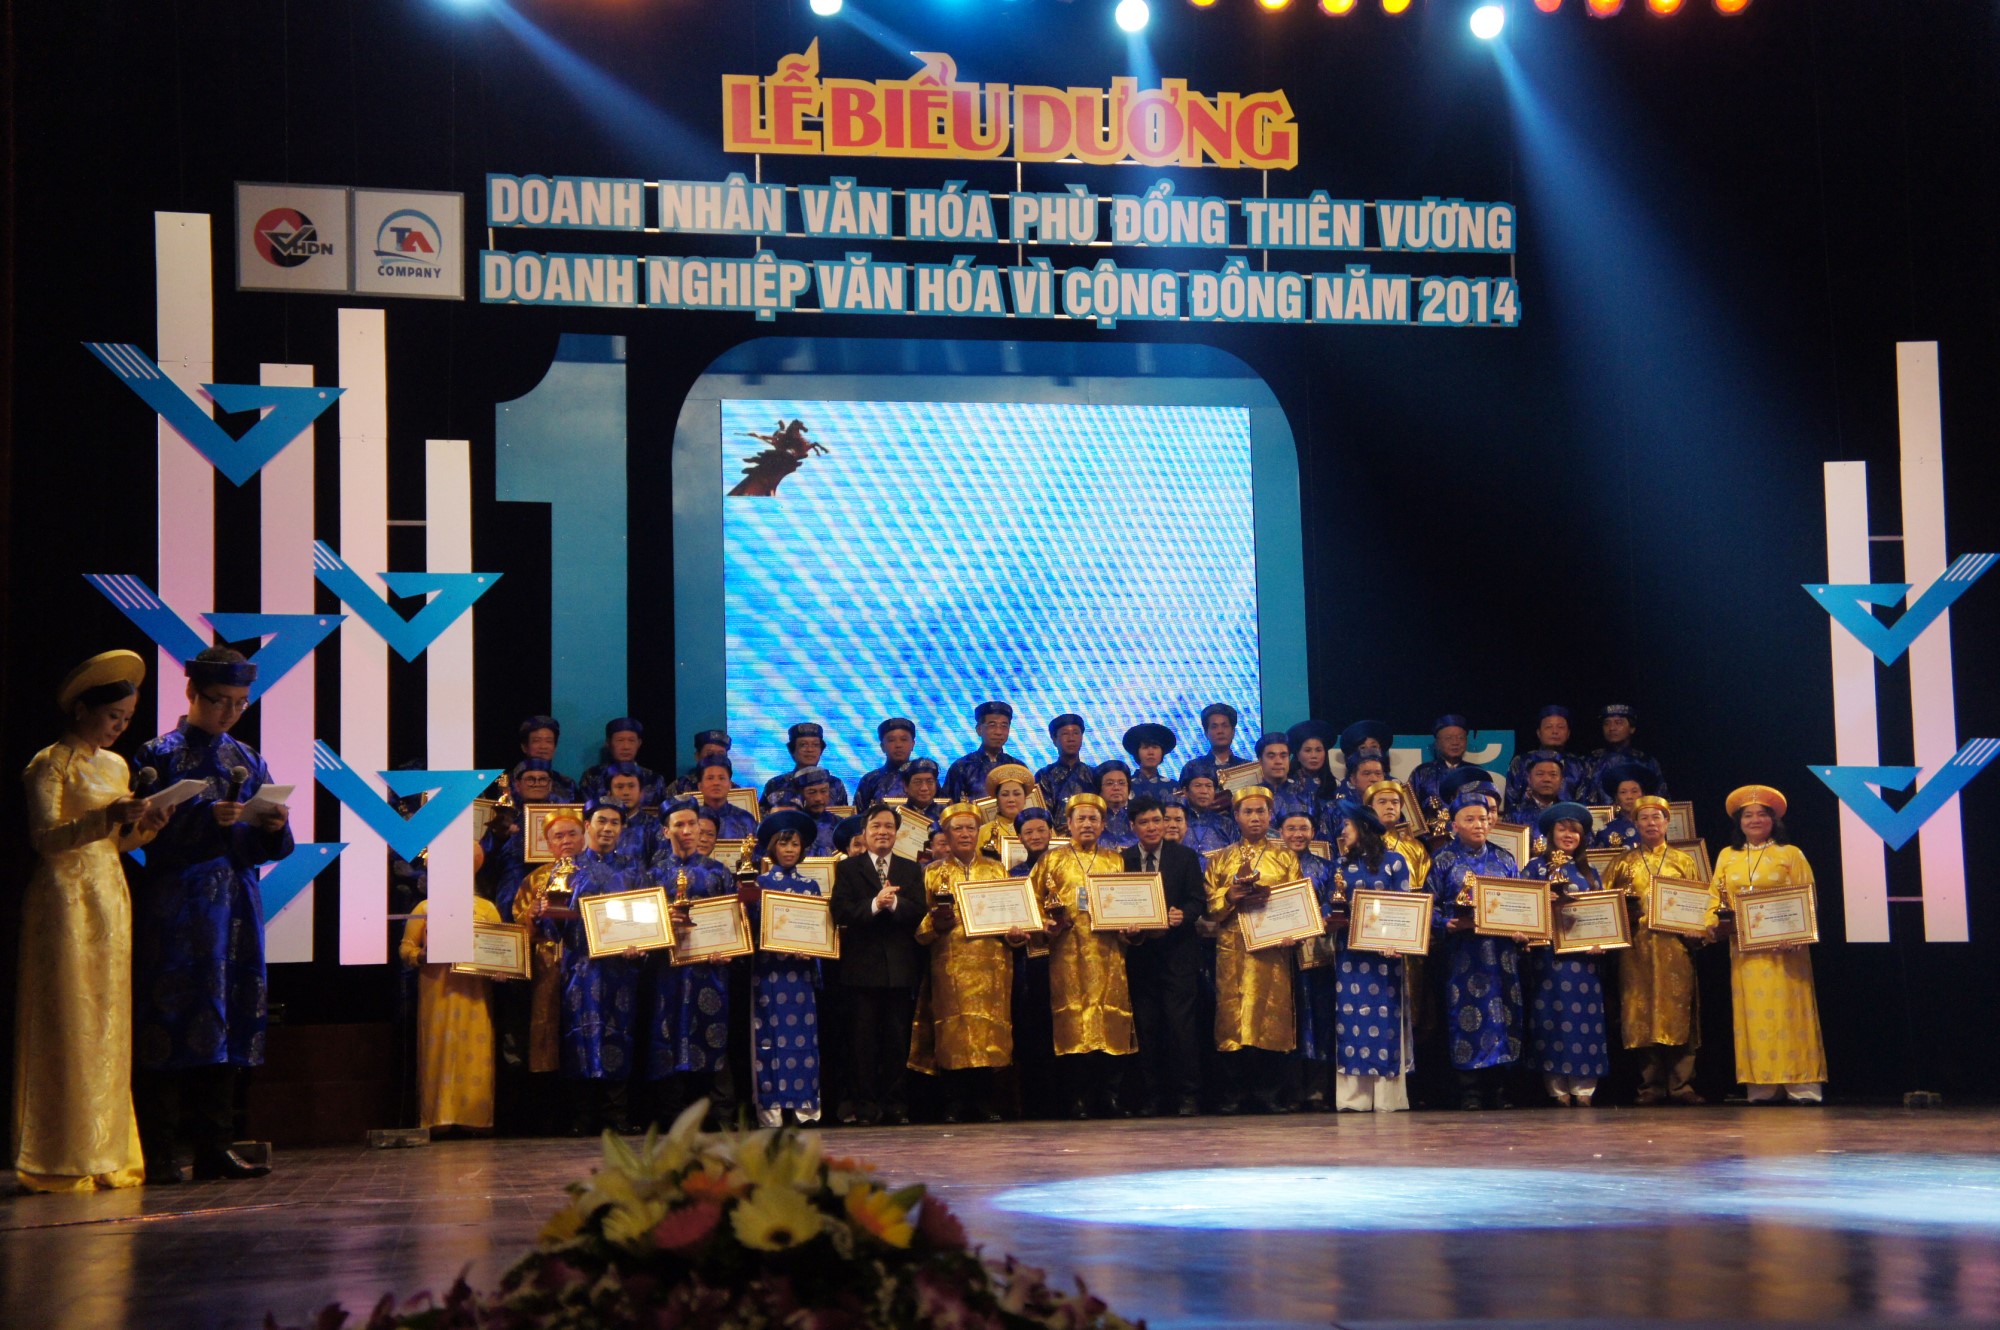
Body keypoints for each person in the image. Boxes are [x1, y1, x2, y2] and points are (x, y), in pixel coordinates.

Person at [132, 647, 294, 1182]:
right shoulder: (158, 754)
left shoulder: (247, 756)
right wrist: (208, 820)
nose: (229, 712)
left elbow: (272, 846)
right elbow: (138, 839)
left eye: (240, 703)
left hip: (237, 908)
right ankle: (158, 1149)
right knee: (168, 1016)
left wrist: (272, 828)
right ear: (192, 693)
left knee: (231, 1016)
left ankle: (214, 1146)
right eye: (220, 701)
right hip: (177, 906)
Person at [14, 650, 164, 1192]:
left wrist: (147, 825)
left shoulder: (117, 766)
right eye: (112, 716)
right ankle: (58, 1156)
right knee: (67, 1018)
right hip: (64, 898)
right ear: (81, 709)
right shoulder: (50, 763)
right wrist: (105, 818)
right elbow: (45, 838)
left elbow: (115, 843)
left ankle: (107, 1152)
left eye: (127, 718)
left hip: (109, 896)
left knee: (107, 1021)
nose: (120, 727)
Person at [913, 802, 1026, 1122]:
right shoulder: (932, 872)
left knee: (989, 1031)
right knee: (953, 1030)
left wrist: (1016, 934)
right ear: (947, 835)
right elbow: (919, 928)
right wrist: (935, 922)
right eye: (958, 829)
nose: (965, 834)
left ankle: (986, 1100)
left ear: (979, 833)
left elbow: (1013, 918)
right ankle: (954, 1101)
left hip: (992, 963)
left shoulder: (996, 870)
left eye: (970, 828)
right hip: (949, 962)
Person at [1714, 785, 1827, 1104]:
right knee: (1753, 1017)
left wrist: (1798, 935)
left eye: (1762, 814)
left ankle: (1802, 1084)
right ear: (1739, 822)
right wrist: (1713, 923)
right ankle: (1761, 1085)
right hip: (1746, 953)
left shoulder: (1790, 854)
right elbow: (1715, 896)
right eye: (1747, 815)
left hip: (1786, 951)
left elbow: (1808, 898)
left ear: (1773, 820)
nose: (1754, 820)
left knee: (1792, 1014)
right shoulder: (1727, 855)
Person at [1029, 793, 1137, 1118]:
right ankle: (1076, 1098)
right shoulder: (1051, 860)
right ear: (1069, 824)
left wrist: (1131, 925)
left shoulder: (1115, 860)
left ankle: (1109, 1096)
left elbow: (1131, 900)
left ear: (1103, 825)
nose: (1087, 824)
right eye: (1081, 819)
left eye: (1093, 819)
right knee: (1072, 1023)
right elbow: (1031, 902)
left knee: (1111, 1020)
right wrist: (1044, 923)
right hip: (1067, 954)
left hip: (1108, 954)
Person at [1601, 795, 1707, 1105]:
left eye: (1656, 817)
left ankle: (1681, 1085)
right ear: (1635, 823)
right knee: (1640, 1015)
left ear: (1667, 822)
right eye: (1644, 818)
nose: (1651, 823)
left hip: (1676, 949)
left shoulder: (1684, 861)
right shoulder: (1622, 862)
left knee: (1679, 1013)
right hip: (1636, 951)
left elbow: (1701, 902)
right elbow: (1604, 904)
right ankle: (1650, 1085)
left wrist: (1697, 929)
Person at [1203, 785, 1300, 1114]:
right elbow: (1210, 907)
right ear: (1236, 816)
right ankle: (1233, 1093)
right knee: (1233, 1019)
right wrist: (1229, 896)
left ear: (1270, 816)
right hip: (1233, 948)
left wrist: (1293, 932)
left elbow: (1297, 901)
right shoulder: (1220, 859)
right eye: (1248, 812)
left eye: (1261, 811)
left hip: (1272, 949)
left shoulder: (1285, 857)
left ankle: (1269, 1092)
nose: (1255, 817)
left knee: (1270, 1016)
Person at [555, 801, 649, 1135]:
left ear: (622, 829)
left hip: (620, 969)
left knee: (618, 1035)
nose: (608, 828)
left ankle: (616, 1114)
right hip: (580, 970)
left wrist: (641, 945)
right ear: (588, 825)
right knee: (580, 1038)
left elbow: (647, 917)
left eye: (615, 823)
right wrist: (544, 914)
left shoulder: (634, 870)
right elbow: (554, 927)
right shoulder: (567, 869)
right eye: (601, 821)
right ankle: (582, 1117)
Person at [829, 805, 926, 1125]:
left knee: (897, 1041)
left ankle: (896, 1105)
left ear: (897, 833)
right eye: (876, 826)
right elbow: (840, 911)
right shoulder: (848, 868)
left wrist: (894, 902)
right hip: (861, 969)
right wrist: (874, 904)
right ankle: (866, 1106)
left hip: (900, 969)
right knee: (862, 1042)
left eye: (888, 826)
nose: (882, 831)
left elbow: (920, 912)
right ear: (865, 832)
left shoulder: (910, 869)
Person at [1428, 789, 1524, 1110]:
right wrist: (1446, 923)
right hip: (1463, 954)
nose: (1479, 824)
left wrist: (1524, 929)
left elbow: (1521, 903)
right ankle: (1469, 1091)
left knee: (1503, 1016)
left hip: (1502, 955)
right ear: (1455, 825)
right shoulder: (1443, 861)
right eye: (1469, 819)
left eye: (1483, 819)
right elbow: (1428, 906)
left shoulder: (1504, 859)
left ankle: (1500, 1088)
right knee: (1466, 1016)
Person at [1324, 799, 1420, 1112]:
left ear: (1363, 827)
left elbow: (1405, 907)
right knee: (1350, 1020)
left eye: (1347, 825)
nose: (1343, 831)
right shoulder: (1340, 865)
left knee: (1385, 1018)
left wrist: (1396, 941)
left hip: (1385, 958)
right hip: (1350, 956)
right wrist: (1324, 919)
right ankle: (1355, 1098)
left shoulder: (1395, 862)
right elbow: (1329, 903)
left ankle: (1386, 1097)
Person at [647, 801, 739, 1124]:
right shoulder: (654, 875)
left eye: (692, 824)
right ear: (665, 831)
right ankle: (670, 1117)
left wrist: (727, 949)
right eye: (679, 825)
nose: (686, 831)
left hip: (710, 971)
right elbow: (640, 926)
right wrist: (663, 922)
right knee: (667, 1037)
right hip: (668, 972)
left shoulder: (718, 872)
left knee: (713, 1037)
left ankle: (719, 1116)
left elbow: (734, 921)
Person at [398, 848, 501, 1135]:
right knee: (437, 1052)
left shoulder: (486, 908)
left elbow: (502, 946)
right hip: (437, 990)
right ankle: (437, 1118)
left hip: (475, 993)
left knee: (476, 1050)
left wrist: (502, 968)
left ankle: (475, 1118)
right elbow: (406, 947)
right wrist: (420, 956)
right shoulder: (425, 908)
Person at [739, 809, 828, 1126]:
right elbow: (749, 929)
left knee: (803, 1037)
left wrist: (812, 952)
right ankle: (772, 1110)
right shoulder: (759, 884)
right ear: (772, 847)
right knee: (769, 1038)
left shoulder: (811, 886)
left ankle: (805, 1107)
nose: (789, 850)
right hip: (769, 973)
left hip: (800, 975)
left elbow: (820, 931)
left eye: (795, 844)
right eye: (783, 843)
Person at [1522, 802, 1610, 1106]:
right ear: (1551, 834)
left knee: (1585, 1019)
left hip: (1585, 961)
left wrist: (1603, 941)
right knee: (1552, 1018)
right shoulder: (1535, 868)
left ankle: (1584, 1089)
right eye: (1562, 829)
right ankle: (1557, 1089)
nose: (1569, 835)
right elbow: (1522, 910)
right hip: (1548, 959)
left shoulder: (1590, 872)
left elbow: (1603, 914)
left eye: (1575, 830)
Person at [1122, 796, 1205, 1116]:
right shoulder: (1123, 859)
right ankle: (1152, 1096)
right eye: (1144, 822)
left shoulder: (1184, 857)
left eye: (1157, 820)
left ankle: (1188, 1095)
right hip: (1140, 955)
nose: (1153, 827)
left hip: (1178, 955)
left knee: (1181, 1027)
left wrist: (1182, 914)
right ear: (1133, 826)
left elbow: (1198, 901)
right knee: (1147, 1027)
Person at [512, 810, 586, 1099]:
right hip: (547, 963)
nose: (566, 840)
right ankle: (547, 1101)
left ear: (584, 836)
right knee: (546, 1029)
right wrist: (531, 915)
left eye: (572, 834)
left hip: (584, 960)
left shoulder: (594, 873)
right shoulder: (535, 879)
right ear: (548, 843)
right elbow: (519, 929)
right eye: (558, 836)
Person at [1279, 809, 1340, 1111]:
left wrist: (1318, 920)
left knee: (1319, 1018)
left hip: (1317, 954)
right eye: (1291, 828)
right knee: (1288, 1020)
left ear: (1313, 833)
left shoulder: (1327, 867)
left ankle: (1318, 1090)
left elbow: (1333, 903)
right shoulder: (1272, 865)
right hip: (1280, 953)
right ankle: (1291, 1091)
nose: (1297, 834)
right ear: (1280, 833)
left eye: (1303, 828)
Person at [1584, 704, 1668, 803]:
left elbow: (1660, 798)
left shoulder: (1646, 761)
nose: (1612, 728)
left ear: (1632, 728)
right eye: (1607, 723)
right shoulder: (1591, 761)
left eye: (1618, 723)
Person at [1505, 706, 1586, 808]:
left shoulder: (1578, 765)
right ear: (1538, 733)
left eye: (1560, 727)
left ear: (1568, 733)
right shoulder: (1521, 762)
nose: (1555, 731)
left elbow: (1585, 805)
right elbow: (1511, 801)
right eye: (1549, 727)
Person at [944, 701, 1026, 800]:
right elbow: (949, 805)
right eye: (992, 725)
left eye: (1004, 726)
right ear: (979, 729)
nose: (998, 732)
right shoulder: (962, 767)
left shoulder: (1018, 767)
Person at [1410, 714, 1475, 837]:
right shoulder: (1422, 773)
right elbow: (1411, 815)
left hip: (1467, 839)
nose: (1455, 742)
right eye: (1448, 738)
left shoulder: (1475, 773)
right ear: (1437, 743)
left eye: (1461, 738)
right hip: (1430, 841)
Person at [577, 717, 668, 806]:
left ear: (639, 743)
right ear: (608, 743)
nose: (626, 747)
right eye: (620, 740)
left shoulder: (654, 780)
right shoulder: (592, 777)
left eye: (631, 741)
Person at [762, 722, 850, 812]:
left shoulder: (835, 784)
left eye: (815, 745)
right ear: (792, 750)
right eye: (803, 745)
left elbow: (845, 817)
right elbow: (761, 817)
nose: (810, 750)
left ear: (821, 750)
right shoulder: (775, 784)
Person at [1036, 713, 1098, 814]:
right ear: (1054, 739)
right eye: (1065, 734)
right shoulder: (1044, 776)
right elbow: (1041, 814)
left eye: (1076, 733)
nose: (1071, 739)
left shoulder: (1094, 774)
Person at [1179, 702, 1251, 787]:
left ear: (1233, 732)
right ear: (1206, 733)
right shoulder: (1192, 768)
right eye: (1214, 727)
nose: (1220, 731)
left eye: (1225, 726)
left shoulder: (1246, 768)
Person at [1592, 760, 1659, 850]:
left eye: (1634, 791)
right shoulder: (1606, 832)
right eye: (1623, 792)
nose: (1629, 797)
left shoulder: (1656, 827)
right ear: (1616, 798)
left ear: (1643, 795)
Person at [1282, 720, 1339, 826]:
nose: (1314, 756)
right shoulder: (1286, 785)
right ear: (1297, 755)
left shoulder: (1335, 785)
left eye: (1318, 750)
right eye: (1308, 750)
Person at [975, 763, 1037, 860]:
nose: (1011, 799)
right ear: (997, 800)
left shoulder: (1039, 828)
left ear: (1025, 798)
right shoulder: (984, 831)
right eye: (1005, 795)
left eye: (1017, 794)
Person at [854, 717, 917, 808]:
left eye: (904, 739)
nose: (898, 745)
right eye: (891, 740)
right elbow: (858, 814)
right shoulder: (870, 780)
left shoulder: (925, 779)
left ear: (913, 744)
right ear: (882, 746)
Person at [692, 754, 758, 840]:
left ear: (730, 784)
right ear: (700, 786)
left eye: (721, 778)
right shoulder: (691, 819)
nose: (716, 783)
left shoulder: (745, 819)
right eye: (710, 778)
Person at [1506, 751, 1568, 840]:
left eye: (1553, 774)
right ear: (1529, 779)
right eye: (1540, 774)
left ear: (1562, 780)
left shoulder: (1569, 814)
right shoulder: (1515, 814)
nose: (1547, 779)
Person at [518, 715, 578, 801]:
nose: (543, 746)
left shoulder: (567, 784)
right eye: (536, 741)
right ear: (524, 747)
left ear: (555, 747)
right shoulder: (509, 782)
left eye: (549, 741)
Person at [1124, 723, 1181, 808]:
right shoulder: (1126, 785)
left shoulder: (1173, 786)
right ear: (1137, 753)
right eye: (1145, 747)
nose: (1151, 752)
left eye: (1155, 747)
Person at [1332, 720, 1392, 800]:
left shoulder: (1393, 786)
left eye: (1374, 747)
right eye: (1363, 748)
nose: (1369, 751)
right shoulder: (1342, 792)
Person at [1181, 772, 1236, 853]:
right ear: (1185, 791)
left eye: (1209, 786)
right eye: (1198, 786)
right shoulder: (1176, 823)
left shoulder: (1226, 824)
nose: (1204, 791)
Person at [670, 729, 734, 797]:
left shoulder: (734, 789)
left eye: (721, 755)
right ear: (697, 756)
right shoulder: (680, 786)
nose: (715, 760)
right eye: (710, 754)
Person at [1094, 760, 1138, 850]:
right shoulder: (1092, 818)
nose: (1116, 788)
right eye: (1110, 783)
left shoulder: (1138, 816)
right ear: (1099, 788)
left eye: (1122, 783)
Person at [900, 757, 947, 826]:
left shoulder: (946, 815)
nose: (924, 788)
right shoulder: (897, 815)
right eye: (918, 782)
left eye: (930, 782)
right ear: (905, 786)